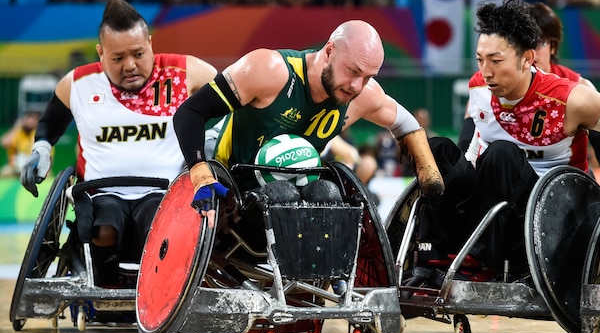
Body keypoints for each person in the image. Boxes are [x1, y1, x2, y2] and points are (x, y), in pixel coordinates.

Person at [429, 0, 600, 276]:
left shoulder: (573, 92)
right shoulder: (479, 86)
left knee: (502, 153)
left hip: (551, 200)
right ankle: (432, 255)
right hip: (498, 188)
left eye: (495, 60)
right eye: (479, 60)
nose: (486, 71)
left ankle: (483, 258)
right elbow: (469, 146)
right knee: (436, 149)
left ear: (530, 56)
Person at [20, 0, 217, 286]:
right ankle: (106, 289)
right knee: (104, 229)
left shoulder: (186, 73)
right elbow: (50, 123)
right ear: (101, 53)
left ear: (150, 43)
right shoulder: (77, 84)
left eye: (138, 54)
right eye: (117, 58)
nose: (130, 65)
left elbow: (231, 101)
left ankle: (157, 291)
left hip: (165, 193)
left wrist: (213, 138)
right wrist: (42, 148)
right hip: (101, 193)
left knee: (157, 227)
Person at [171, 20, 444, 222]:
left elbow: (407, 125)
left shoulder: (362, 95)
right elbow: (190, 112)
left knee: (327, 194)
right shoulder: (270, 70)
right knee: (281, 196)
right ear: (329, 51)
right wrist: (200, 173)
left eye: (368, 77)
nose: (357, 85)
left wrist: (429, 173)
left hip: (287, 193)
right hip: (229, 179)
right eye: (352, 71)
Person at [529, 2, 600, 191]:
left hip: (569, 183)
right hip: (522, 181)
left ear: (553, 46)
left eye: (538, 43)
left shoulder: (579, 86)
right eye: (524, 43)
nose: (531, 52)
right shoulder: (500, 86)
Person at [1, 111, 40, 177]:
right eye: (29, 118)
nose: (31, 121)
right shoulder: (18, 133)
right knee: (4, 173)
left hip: (34, 168)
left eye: (34, 119)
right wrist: (16, 126)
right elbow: (4, 143)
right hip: (14, 168)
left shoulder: (39, 135)